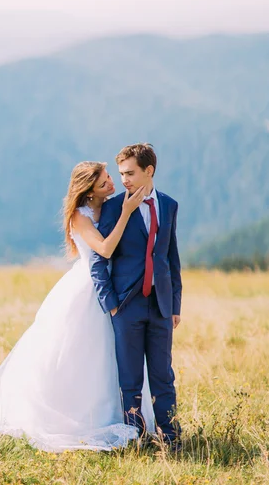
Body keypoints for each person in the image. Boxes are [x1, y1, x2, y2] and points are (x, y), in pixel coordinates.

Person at [0, 161, 154, 452]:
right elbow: (105, 249)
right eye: (104, 183)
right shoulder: (80, 217)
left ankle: (126, 414)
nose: (112, 184)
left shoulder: (107, 207)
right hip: (86, 290)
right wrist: (127, 213)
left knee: (114, 353)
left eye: (110, 178)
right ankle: (81, 417)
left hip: (116, 287)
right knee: (80, 353)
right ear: (90, 192)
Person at [90, 143, 182, 448]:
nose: (124, 180)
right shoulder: (114, 207)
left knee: (162, 375)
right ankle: (136, 438)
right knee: (130, 378)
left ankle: (170, 437)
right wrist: (112, 305)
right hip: (126, 304)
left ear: (149, 171)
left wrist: (175, 305)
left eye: (130, 173)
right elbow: (98, 260)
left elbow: (171, 258)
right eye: (121, 174)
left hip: (161, 305)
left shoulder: (169, 205)